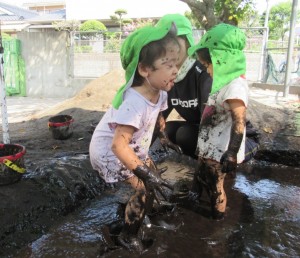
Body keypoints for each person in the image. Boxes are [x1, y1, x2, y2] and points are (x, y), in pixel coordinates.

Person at [89, 23, 180, 252]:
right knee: (144, 186)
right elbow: (118, 145)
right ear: (144, 69)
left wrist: (164, 136)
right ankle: (128, 236)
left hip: (132, 147)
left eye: (176, 63)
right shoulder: (133, 103)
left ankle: (141, 209)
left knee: (153, 174)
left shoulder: (158, 91)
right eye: (168, 65)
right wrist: (145, 174)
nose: (175, 70)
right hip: (110, 153)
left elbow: (158, 118)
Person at [188, 23, 252, 220]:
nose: (206, 70)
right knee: (199, 175)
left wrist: (231, 153)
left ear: (223, 60)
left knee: (216, 186)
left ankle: (217, 219)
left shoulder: (236, 88)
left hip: (220, 151)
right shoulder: (222, 83)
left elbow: (239, 122)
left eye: (208, 65)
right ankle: (193, 196)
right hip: (208, 146)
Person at [152, 14, 212, 158]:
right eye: (163, 44)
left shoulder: (202, 71)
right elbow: (157, 118)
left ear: (187, 41)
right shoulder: (167, 74)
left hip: (219, 131)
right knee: (168, 130)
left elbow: (210, 123)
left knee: (184, 134)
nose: (169, 49)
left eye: (174, 42)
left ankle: (206, 165)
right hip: (195, 127)